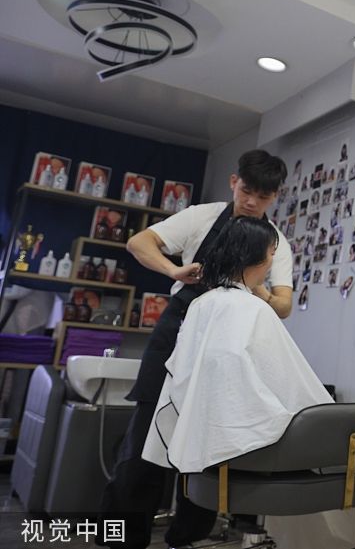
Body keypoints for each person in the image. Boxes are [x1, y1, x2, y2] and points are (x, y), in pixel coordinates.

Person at [142, 216, 355, 548]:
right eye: (270, 254)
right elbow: (300, 393)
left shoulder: (200, 306)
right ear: (256, 258)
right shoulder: (254, 310)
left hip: (210, 457)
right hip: (255, 451)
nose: (271, 263)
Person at [99, 150, 291, 549]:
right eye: (246, 190)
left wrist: (257, 288)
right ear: (233, 182)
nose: (251, 201)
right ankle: (122, 537)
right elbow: (139, 242)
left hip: (227, 343)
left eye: (262, 196)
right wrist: (174, 270)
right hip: (178, 330)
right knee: (146, 431)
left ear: (276, 196)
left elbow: (284, 305)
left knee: (208, 437)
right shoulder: (201, 217)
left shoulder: (276, 243)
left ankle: (186, 538)